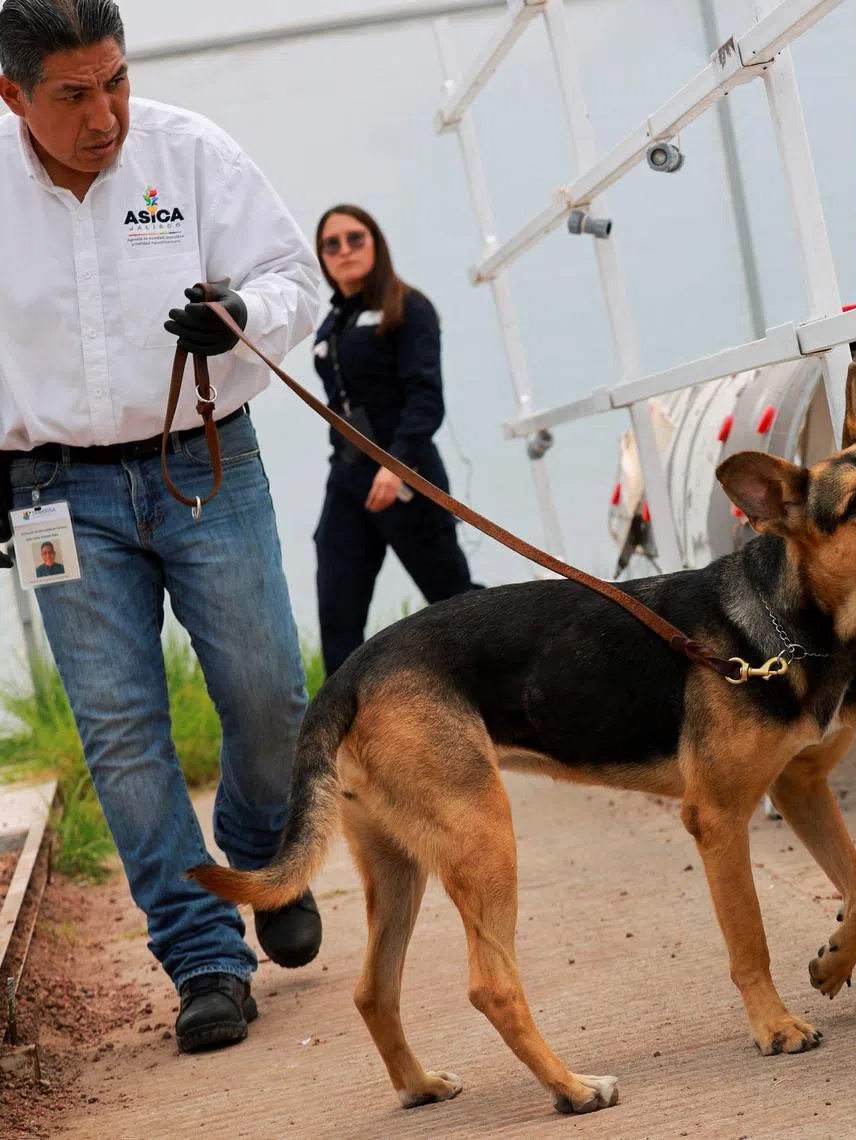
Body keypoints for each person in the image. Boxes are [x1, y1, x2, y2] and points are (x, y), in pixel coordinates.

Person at [0, 0, 324, 1054]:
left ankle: (260, 850)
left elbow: (295, 281)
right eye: (75, 94)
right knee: (122, 732)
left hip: (205, 463)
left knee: (270, 691)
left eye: (118, 80)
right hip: (55, 493)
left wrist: (240, 312)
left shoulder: (190, 154)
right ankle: (201, 956)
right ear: (13, 95)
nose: (107, 113)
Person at [311, 204, 480, 677]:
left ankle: (509, 701)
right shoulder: (331, 325)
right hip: (348, 483)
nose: (344, 250)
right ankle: (345, 734)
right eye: (332, 244)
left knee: (455, 603)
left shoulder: (409, 308)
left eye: (355, 238)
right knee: (337, 610)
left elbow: (426, 399)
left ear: (376, 243)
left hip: (407, 478)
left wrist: (398, 466)